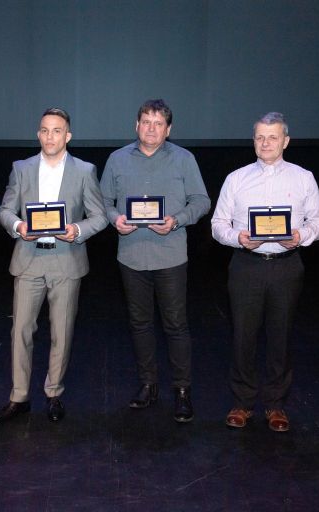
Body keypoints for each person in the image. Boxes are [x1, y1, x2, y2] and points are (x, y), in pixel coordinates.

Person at [211, 112, 319, 432]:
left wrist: (301, 236)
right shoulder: (236, 179)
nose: (265, 143)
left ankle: (275, 404)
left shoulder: (304, 178)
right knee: (242, 336)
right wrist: (238, 238)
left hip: (287, 266)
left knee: (281, 336)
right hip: (246, 266)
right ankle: (243, 402)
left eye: (273, 137)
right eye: (260, 137)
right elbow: (218, 224)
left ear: (285, 141)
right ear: (253, 141)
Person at [0, 108, 108, 424]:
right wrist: (18, 226)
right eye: (44, 130)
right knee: (20, 331)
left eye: (57, 131)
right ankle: (19, 397)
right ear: (38, 134)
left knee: (62, 331)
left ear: (67, 136)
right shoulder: (21, 168)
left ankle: (54, 393)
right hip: (28, 259)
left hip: (66, 260)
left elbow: (99, 216)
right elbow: (4, 211)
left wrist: (77, 230)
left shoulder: (84, 171)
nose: (50, 136)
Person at [100, 99, 210, 423]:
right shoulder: (117, 159)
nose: (151, 128)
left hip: (170, 255)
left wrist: (177, 220)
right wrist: (114, 218)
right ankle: (148, 385)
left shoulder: (184, 159)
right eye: (146, 122)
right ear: (137, 125)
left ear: (168, 129)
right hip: (131, 255)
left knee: (176, 325)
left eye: (158, 123)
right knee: (140, 324)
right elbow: (103, 200)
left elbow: (201, 200)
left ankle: (182, 391)